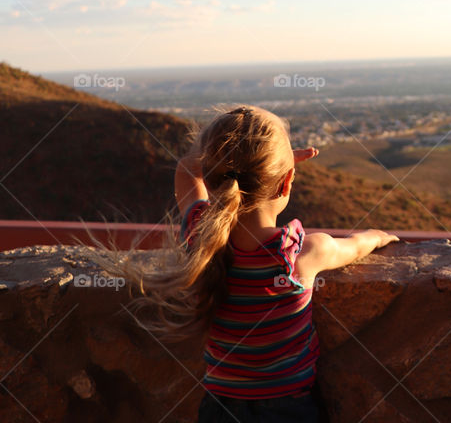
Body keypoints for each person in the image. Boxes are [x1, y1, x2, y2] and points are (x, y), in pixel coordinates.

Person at [95, 105, 398, 422]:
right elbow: (357, 245)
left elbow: (187, 169)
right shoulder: (301, 253)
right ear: (286, 182)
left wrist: (247, 163)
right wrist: (377, 236)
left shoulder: (202, 239)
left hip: (218, 410)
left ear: (212, 180)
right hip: (289, 412)